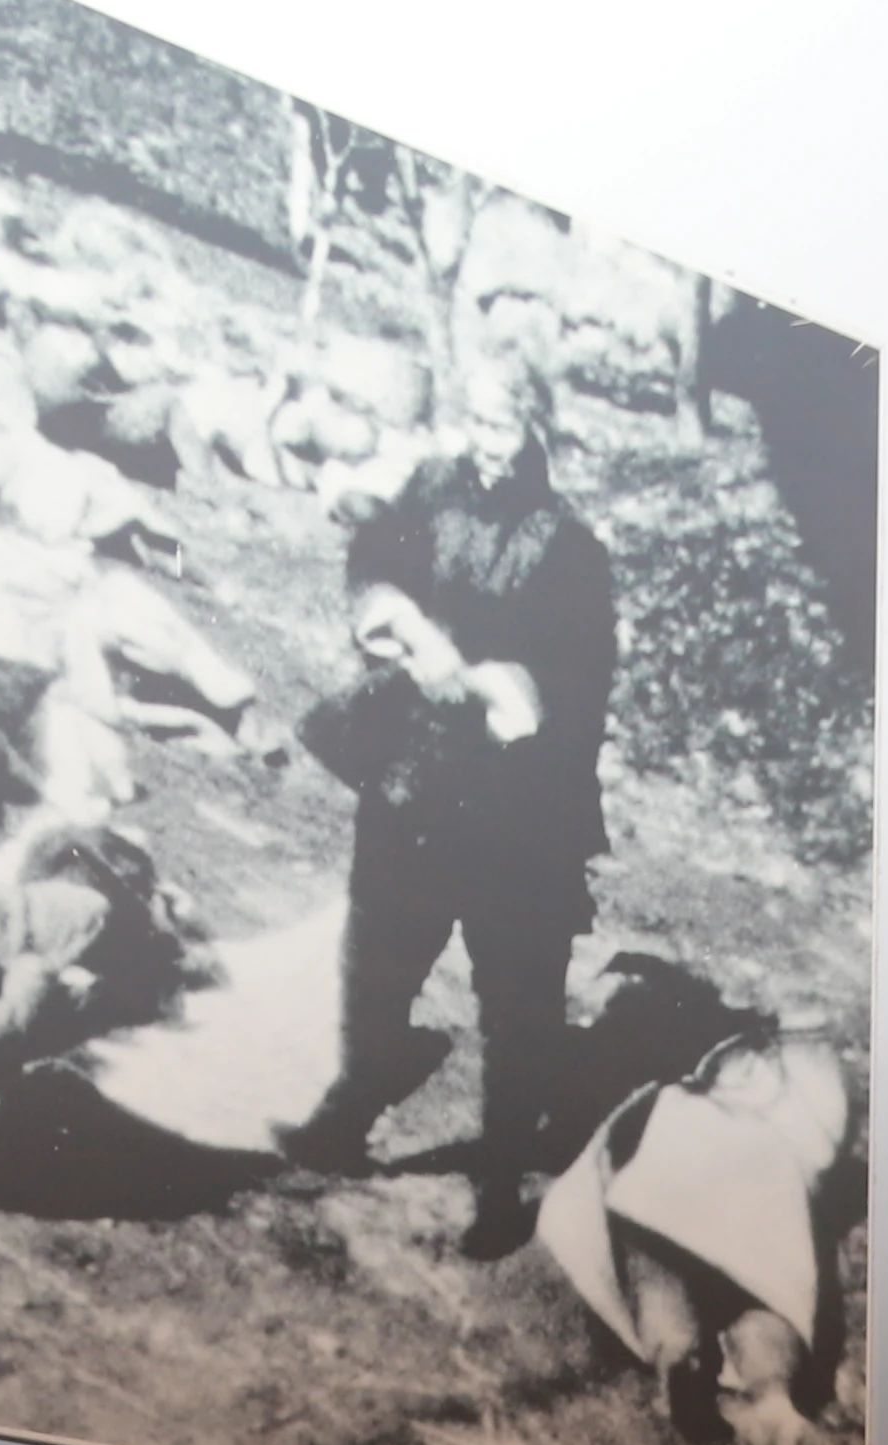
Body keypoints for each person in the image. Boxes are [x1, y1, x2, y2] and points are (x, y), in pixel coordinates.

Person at [276, 331, 617, 1258]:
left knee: (515, 992)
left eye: (503, 425)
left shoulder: (570, 549)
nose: (485, 443)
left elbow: (580, 682)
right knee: (379, 952)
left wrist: (490, 687)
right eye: (474, 420)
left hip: (514, 805)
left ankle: (501, 1180)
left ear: (537, 429)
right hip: (414, 774)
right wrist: (397, 620)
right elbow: (372, 561)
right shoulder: (429, 490)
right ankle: (352, 1107)